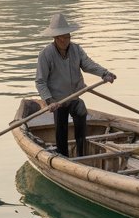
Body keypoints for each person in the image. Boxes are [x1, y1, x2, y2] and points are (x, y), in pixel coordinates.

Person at [34, 12, 116, 158]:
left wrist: (105, 73)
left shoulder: (76, 49)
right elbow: (40, 81)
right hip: (58, 101)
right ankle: (63, 155)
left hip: (74, 96)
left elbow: (88, 64)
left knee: (81, 112)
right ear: (55, 38)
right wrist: (49, 101)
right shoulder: (45, 55)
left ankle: (81, 153)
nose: (65, 40)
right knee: (61, 127)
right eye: (61, 37)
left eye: (67, 36)